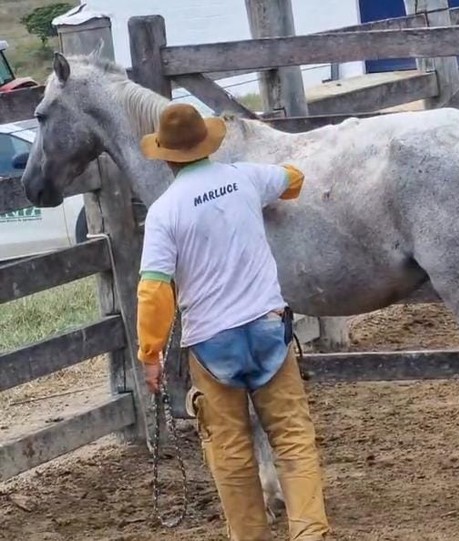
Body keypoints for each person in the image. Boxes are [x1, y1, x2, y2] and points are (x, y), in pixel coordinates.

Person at [135, 103, 331, 540]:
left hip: (212, 341)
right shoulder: (243, 177)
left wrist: (151, 354)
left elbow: (153, 289)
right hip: (267, 328)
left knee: (231, 453)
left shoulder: (165, 212)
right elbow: (293, 178)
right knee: (293, 439)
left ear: (166, 156)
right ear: (207, 145)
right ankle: (310, 533)